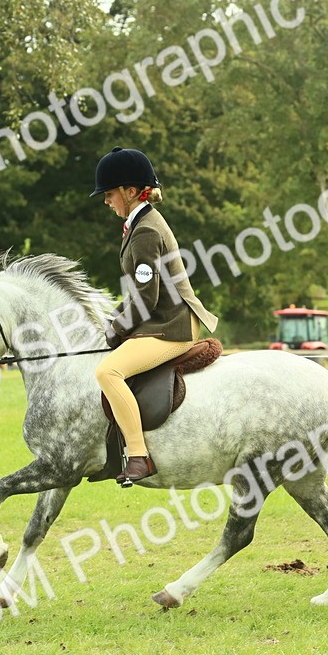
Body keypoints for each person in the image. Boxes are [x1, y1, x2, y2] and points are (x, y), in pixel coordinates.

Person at [91, 147, 219, 484]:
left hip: (171, 326)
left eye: (109, 194)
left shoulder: (146, 230)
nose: (107, 202)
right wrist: (112, 317)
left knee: (108, 371)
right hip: (161, 320)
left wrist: (117, 326)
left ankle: (138, 456)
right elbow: (138, 292)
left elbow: (146, 298)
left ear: (131, 192)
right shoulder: (140, 224)